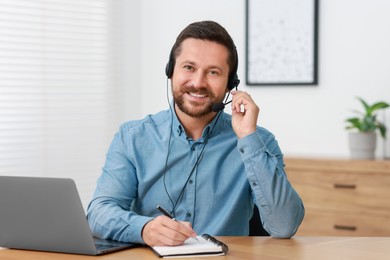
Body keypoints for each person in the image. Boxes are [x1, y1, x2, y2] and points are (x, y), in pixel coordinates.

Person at [87, 20, 304, 246]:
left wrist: (248, 138)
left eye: (213, 72)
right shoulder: (132, 137)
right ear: (170, 72)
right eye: (189, 67)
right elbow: (98, 213)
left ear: (231, 84)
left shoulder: (259, 141)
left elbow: (284, 225)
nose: (198, 83)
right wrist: (143, 229)